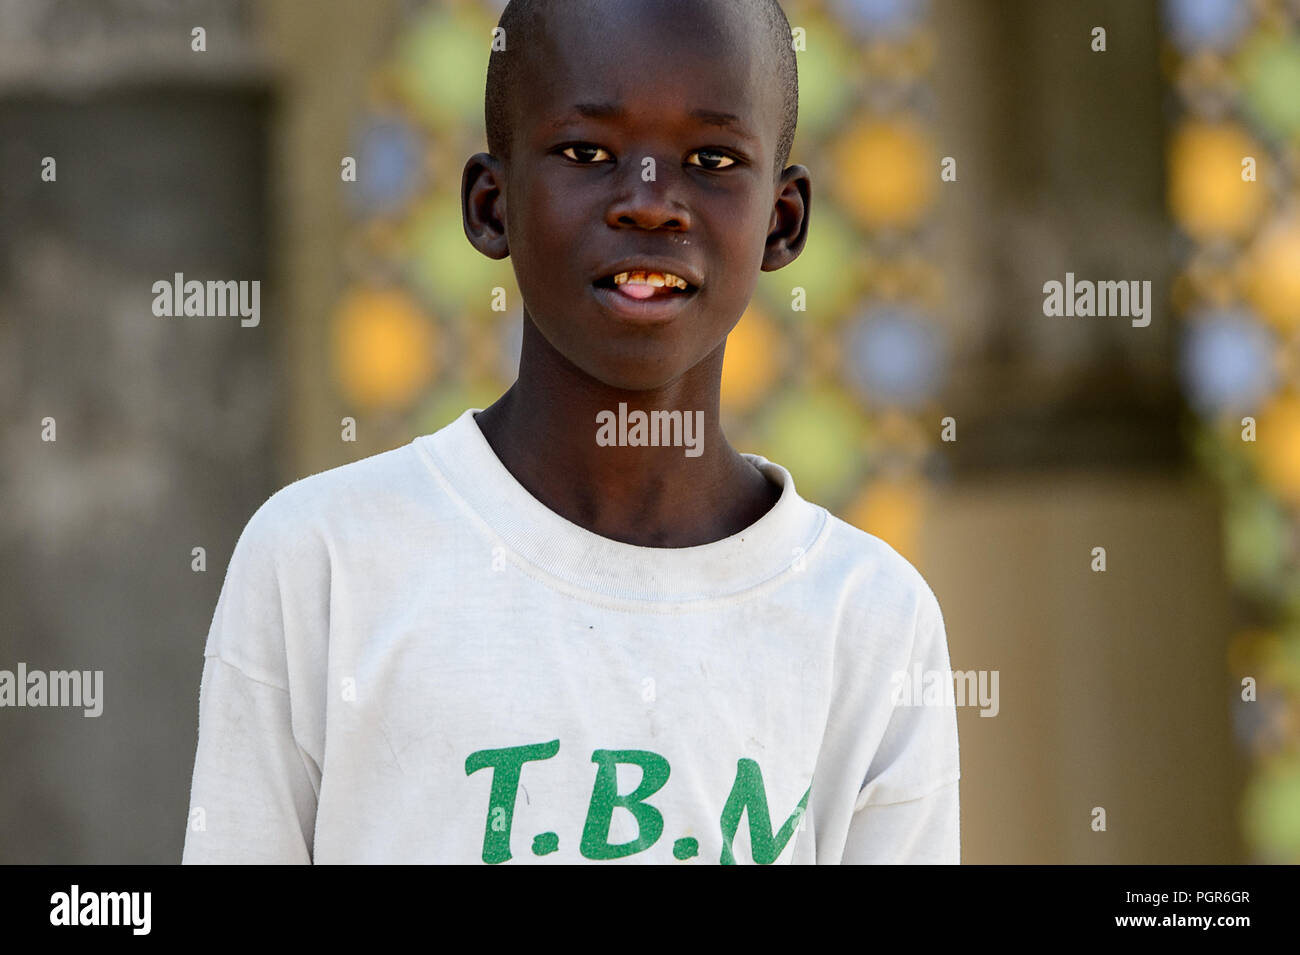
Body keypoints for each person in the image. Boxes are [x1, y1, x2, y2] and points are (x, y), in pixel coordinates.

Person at [182, 0, 960, 864]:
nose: (651, 204)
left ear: (783, 222)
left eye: (711, 160)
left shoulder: (868, 620)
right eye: (588, 153)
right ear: (490, 205)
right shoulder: (322, 562)